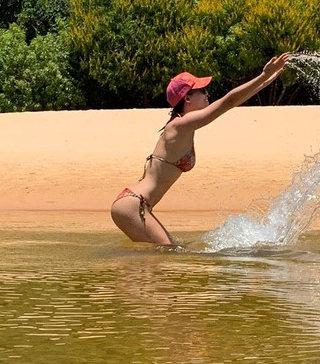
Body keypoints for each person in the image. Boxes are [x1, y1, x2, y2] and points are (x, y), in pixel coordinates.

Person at [111, 53, 292, 245]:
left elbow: (235, 101)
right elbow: (227, 102)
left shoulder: (180, 127)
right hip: (133, 204)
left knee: (158, 259)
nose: (207, 94)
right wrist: (263, 76)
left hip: (133, 204)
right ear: (187, 98)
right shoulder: (179, 125)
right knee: (169, 251)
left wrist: (270, 78)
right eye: (202, 91)